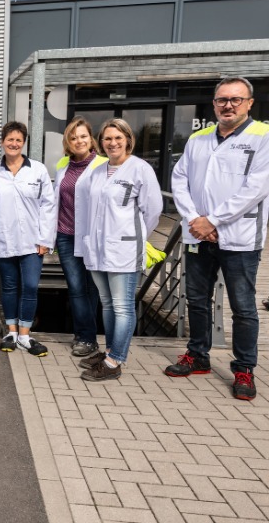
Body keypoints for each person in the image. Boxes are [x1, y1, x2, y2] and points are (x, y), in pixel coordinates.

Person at [167, 77, 269, 400]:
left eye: (236, 100)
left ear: (250, 103)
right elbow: (179, 179)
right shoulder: (198, 139)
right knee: (197, 300)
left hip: (238, 239)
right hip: (199, 235)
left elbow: (255, 189)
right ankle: (198, 356)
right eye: (222, 99)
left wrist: (212, 219)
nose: (228, 105)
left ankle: (244, 368)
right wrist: (195, 219)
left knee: (243, 306)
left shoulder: (263, 138)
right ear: (214, 104)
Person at [75, 118, 162, 381]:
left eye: (117, 138)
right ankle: (110, 350)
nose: (112, 143)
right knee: (108, 304)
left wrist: (133, 237)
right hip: (99, 249)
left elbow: (153, 210)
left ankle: (115, 362)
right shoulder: (99, 170)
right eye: (107, 138)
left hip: (123, 249)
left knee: (123, 306)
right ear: (101, 142)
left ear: (128, 139)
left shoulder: (140, 168)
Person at [0, 121, 57, 357]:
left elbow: (48, 206)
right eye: (9, 139)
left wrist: (45, 238)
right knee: (10, 287)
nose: (13, 143)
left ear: (24, 143)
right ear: (3, 142)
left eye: (18, 140)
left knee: (30, 286)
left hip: (33, 242)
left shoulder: (38, 170)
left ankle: (25, 335)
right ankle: (11, 332)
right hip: (5, 240)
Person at [54, 117, 107, 357]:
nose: (79, 141)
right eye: (74, 137)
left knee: (93, 287)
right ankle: (84, 337)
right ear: (68, 141)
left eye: (83, 136)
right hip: (65, 235)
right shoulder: (63, 164)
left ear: (91, 138)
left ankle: (89, 337)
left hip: (92, 237)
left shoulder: (104, 165)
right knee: (76, 288)